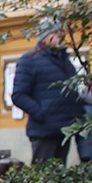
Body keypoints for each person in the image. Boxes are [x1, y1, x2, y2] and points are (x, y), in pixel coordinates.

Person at [11, 17, 85, 164]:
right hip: (44, 131)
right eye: (57, 33)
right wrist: (42, 113)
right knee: (43, 177)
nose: (60, 37)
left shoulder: (65, 60)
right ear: (46, 36)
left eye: (61, 33)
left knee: (58, 178)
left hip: (64, 129)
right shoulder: (29, 60)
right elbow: (19, 95)